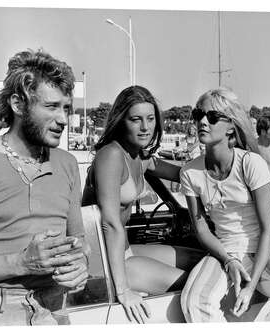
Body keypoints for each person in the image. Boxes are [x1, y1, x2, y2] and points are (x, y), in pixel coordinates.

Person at [0, 49, 89, 326]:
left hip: (54, 307)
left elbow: (81, 242)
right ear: (18, 104)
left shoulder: (68, 164)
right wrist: (21, 262)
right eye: (51, 107)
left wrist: (79, 266)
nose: (63, 119)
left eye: (66, 108)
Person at [180, 88, 270, 322]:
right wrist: (229, 260)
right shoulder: (190, 172)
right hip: (224, 250)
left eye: (212, 117)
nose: (202, 121)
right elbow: (202, 230)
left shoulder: (250, 164)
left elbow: (267, 228)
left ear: (231, 127)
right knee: (194, 302)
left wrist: (251, 285)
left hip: (261, 249)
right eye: (198, 114)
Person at [81, 85, 204, 324]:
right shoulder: (111, 155)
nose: (145, 127)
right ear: (121, 121)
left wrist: (228, 165)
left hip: (125, 250)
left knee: (201, 260)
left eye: (150, 119)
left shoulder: (140, 157)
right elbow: (110, 223)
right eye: (136, 119)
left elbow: (184, 175)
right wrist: (123, 290)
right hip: (105, 262)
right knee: (198, 284)